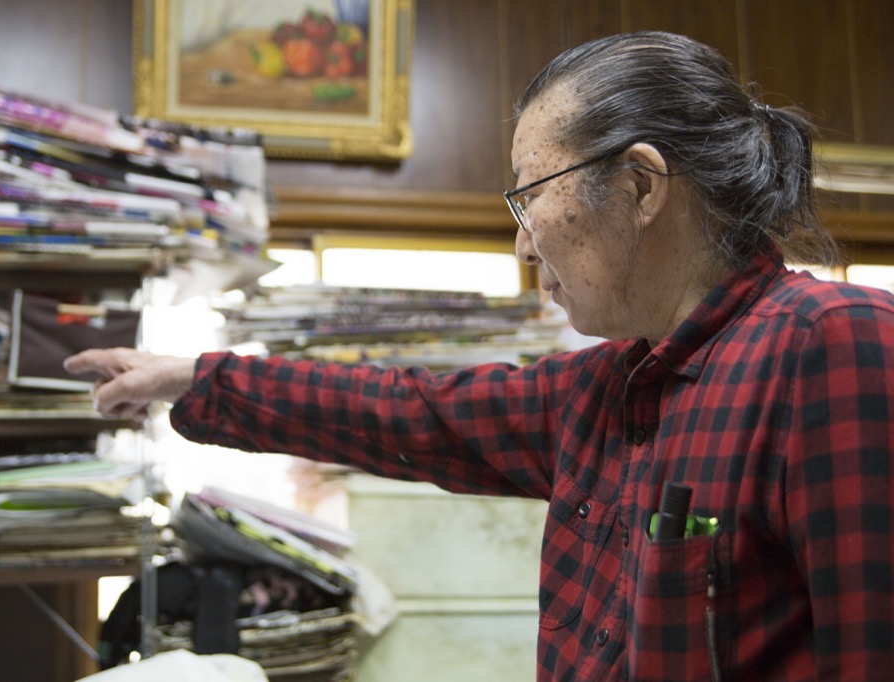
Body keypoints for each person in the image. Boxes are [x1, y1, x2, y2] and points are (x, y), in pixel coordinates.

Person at [65, 31, 894, 681]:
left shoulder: (833, 345)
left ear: (641, 188)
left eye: (530, 196)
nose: (523, 244)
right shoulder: (602, 389)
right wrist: (192, 379)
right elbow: (407, 409)